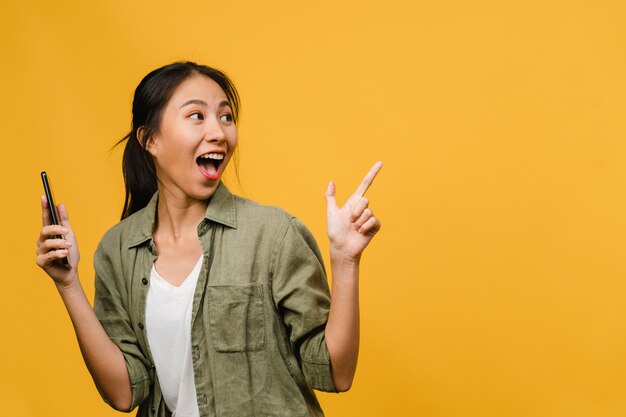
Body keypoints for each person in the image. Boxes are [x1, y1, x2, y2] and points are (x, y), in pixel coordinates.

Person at [36, 62, 382, 417]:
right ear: (150, 139)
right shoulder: (118, 250)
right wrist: (68, 284)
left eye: (226, 117)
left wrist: (345, 260)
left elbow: (334, 373)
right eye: (197, 116)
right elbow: (125, 393)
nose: (218, 132)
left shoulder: (273, 235)